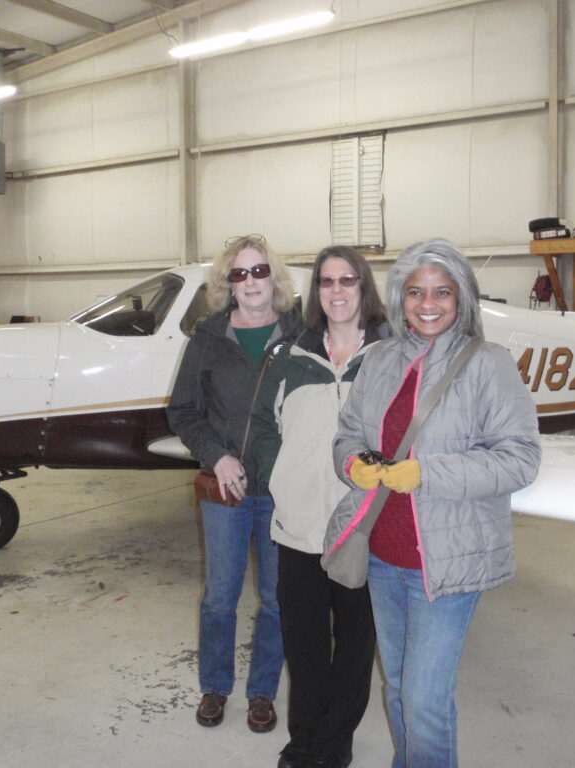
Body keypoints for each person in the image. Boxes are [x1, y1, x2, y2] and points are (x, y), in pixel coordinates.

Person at [323, 238, 542, 768]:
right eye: (416, 291)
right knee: (398, 688)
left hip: (446, 562)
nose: (428, 303)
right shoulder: (380, 361)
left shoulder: (489, 365)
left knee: (424, 702)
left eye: (442, 292)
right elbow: (348, 433)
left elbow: (521, 459)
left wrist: (426, 473)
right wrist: (352, 463)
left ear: (461, 297)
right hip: (382, 558)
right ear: (400, 298)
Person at [252, 246, 388, 768]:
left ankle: (334, 746)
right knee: (304, 646)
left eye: (347, 281)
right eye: (326, 282)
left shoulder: (388, 357)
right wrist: (276, 475)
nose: (336, 291)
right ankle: (302, 740)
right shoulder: (287, 356)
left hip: (360, 528)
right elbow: (262, 425)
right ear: (317, 293)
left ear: (363, 288)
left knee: (354, 649)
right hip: (299, 527)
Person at [167, 234, 300, 734]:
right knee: (220, 595)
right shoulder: (208, 337)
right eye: (239, 274)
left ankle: (262, 692)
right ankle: (215, 687)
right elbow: (181, 410)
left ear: (275, 278)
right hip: (226, 490)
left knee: (277, 597)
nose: (251, 282)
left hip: (280, 492)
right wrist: (216, 455)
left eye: (259, 271)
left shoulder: (302, 337)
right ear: (228, 284)